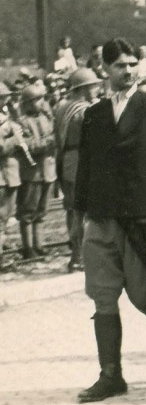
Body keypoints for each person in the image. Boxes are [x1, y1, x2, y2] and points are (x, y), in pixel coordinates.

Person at [75, 37, 146, 403]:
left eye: (132, 64)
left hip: (140, 214)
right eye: (119, 65)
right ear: (104, 69)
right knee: (102, 297)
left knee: (144, 296)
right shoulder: (94, 115)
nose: (127, 71)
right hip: (100, 217)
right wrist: (79, 215)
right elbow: (85, 168)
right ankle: (111, 375)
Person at [54, 68, 102, 272]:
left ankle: (76, 254)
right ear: (84, 88)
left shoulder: (62, 108)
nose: (97, 90)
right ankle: (80, 256)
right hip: (82, 162)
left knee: (72, 209)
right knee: (83, 211)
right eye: (94, 86)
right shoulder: (84, 111)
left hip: (66, 162)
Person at [15, 81, 56, 260]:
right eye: (37, 100)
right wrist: (49, 142)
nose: (42, 102)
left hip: (47, 171)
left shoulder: (46, 118)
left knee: (42, 211)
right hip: (32, 174)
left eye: (42, 99)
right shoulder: (22, 122)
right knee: (28, 212)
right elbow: (29, 146)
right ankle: (28, 247)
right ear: (28, 103)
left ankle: (38, 245)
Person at [0, 82, 21, 268]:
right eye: (2, 98)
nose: (5, 101)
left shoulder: (6, 116)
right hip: (2, 177)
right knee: (1, 218)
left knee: (5, 218)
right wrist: (15, 139)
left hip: (8, 175)